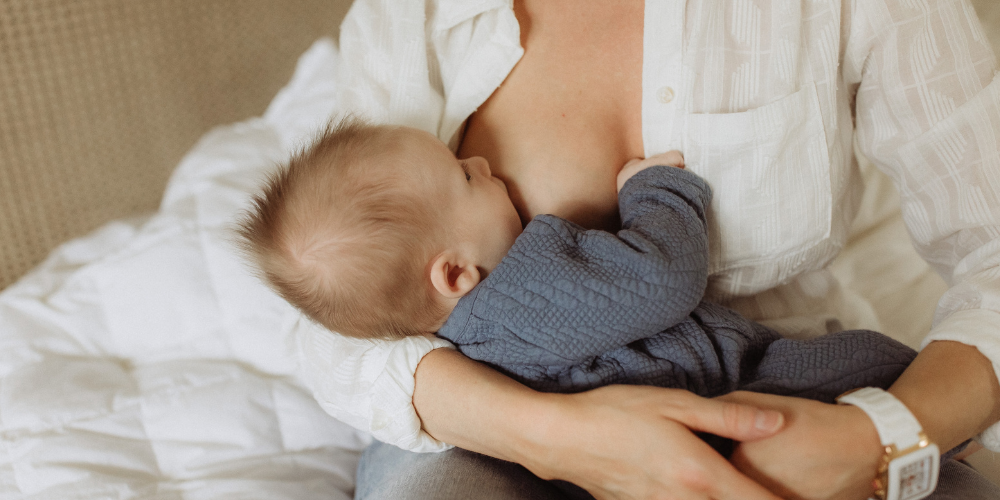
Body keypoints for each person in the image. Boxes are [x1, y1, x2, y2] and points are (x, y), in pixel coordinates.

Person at [293, 1, 1000, 498]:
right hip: (496, 428)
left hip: (784, 403)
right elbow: (339, 313)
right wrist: (555, 435)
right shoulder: (413, 15)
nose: (480, 173)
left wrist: (881, 436)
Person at [240, 119, 915, 424]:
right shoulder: (530, 288)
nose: (480, 164)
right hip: (730, 389)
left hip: (676, 414)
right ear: (453, 274)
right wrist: (656, 193)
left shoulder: (464, 332)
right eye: (462, 176)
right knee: (878, 361)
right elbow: (659, 279)